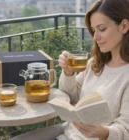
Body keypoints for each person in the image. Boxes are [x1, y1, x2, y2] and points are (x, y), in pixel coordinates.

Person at [57, 0, 129, 140]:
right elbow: (70, 97)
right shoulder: (94, 63)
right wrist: (68, 72)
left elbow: (126, 130)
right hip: (68, 134)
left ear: (124, 26)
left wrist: (104, 133)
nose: (95, 37)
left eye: (101, 29)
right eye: (94, 30)